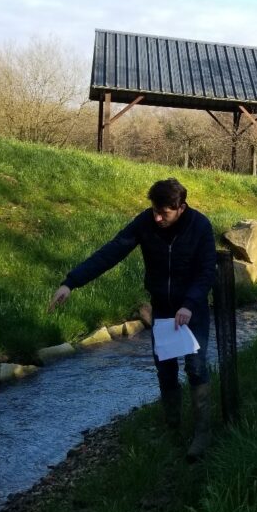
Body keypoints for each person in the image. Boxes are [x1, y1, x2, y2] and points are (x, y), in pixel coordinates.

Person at [48, 178, 217, 461]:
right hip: (163, 310)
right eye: (154, 210)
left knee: (196, 367)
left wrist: (189, 304)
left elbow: (205, 272)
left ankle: (202, 433)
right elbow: (110, 252)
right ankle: (172, 427)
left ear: (181, 208)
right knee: (165, 370)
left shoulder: (200, 226)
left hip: (192, 310)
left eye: (164, 213)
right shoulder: (145, 223)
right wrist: (71, 282)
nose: (157, 217)